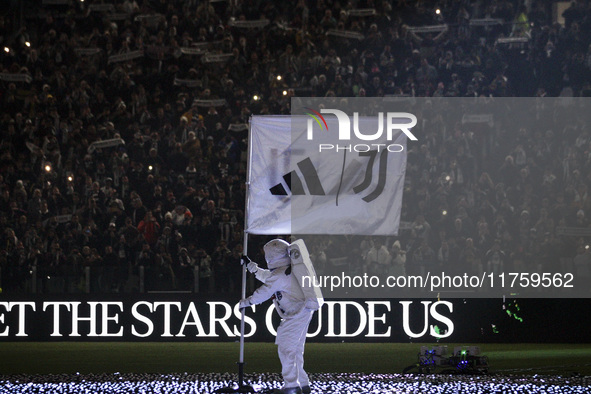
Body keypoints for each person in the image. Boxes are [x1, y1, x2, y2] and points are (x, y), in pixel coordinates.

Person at [240, 239, 317, 394]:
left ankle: (291, 386)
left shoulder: (281, 274)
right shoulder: (286, 271)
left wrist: (246, 302)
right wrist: (250, 265)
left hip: (296, 313)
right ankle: (302, 383)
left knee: (286, 348)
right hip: (302, 311)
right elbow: (268, 277)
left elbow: (265, 290)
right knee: (295, 350)